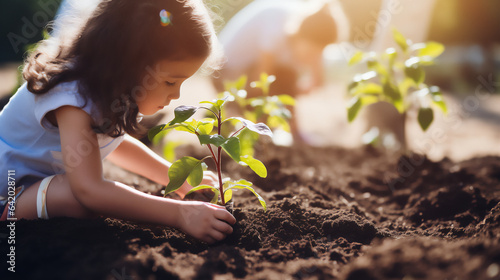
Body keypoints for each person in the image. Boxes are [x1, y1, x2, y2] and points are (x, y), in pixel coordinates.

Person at [0, 0, 236, 244]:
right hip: (6, 192)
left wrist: (176, 179)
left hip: (29, 188)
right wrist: (180, 214)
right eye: (170, 82)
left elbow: (114, 144)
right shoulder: (70, 95)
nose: (176, 95)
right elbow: (88, 189)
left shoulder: (100, 88)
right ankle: (8, 215)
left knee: (90, 194)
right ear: (128, 63)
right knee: (80, 197)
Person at [213, 0, 348, 142]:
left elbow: (314, 81)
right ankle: (228, 120)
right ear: (301, 36)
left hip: (248, 74)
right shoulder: (277, 27)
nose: (312, 59)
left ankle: (272, 129)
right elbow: (260, 79)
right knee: (284, 79)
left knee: (285, 80)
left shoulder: (300, 30)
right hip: (224, 72)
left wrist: (308, 82)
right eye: (311, 53)